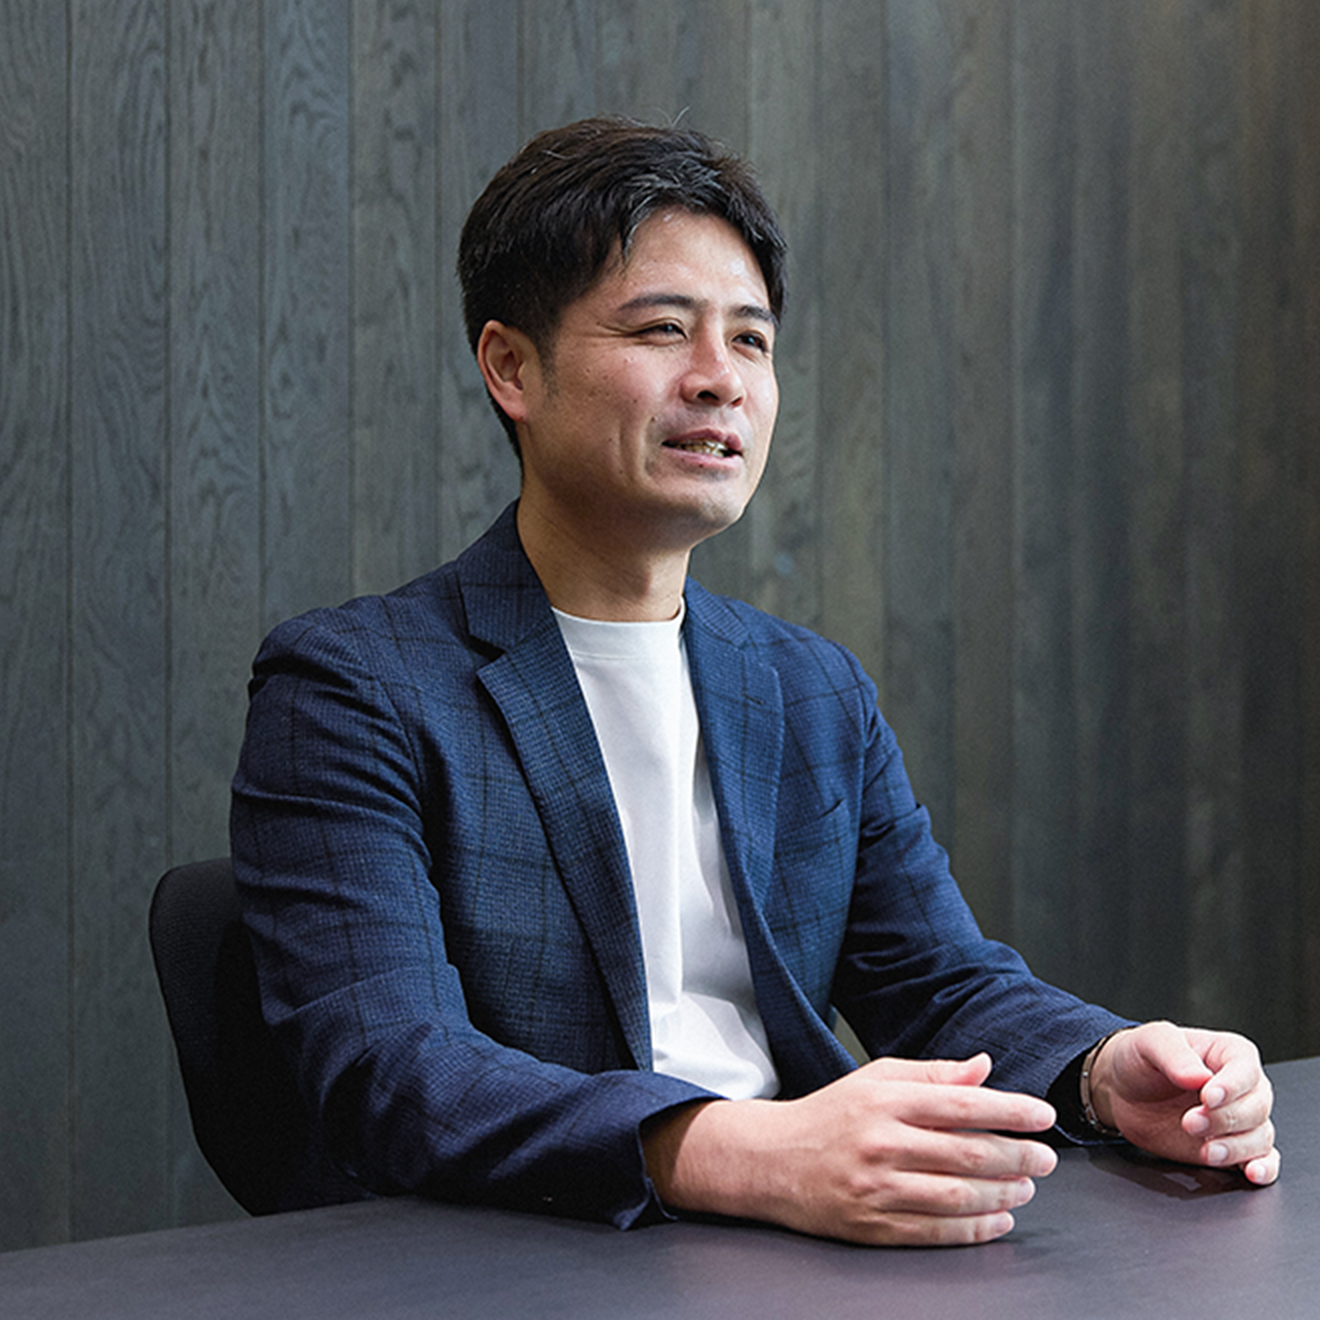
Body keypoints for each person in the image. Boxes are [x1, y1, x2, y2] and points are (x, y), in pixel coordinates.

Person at [231, 117, 1279, 1247]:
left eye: (751, 340)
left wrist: (1105, 1071)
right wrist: (749, 1150)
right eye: (663, 330)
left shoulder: (809, 688)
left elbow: (936, 982)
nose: (720, 380)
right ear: (511, 367)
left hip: (799, 1240)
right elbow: (396, 1068)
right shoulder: (353, 687)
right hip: (526, 1252)